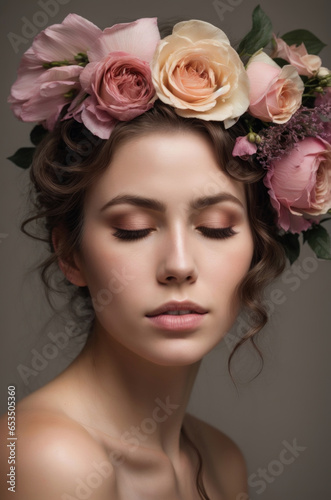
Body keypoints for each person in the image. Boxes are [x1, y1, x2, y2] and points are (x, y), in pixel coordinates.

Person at [1, 11, 330, 500]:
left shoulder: (221, 461)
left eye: (215, 228)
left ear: (258, 245)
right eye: (133, 229)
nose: (178, 264)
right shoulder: (41, 457)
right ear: (70, 253)